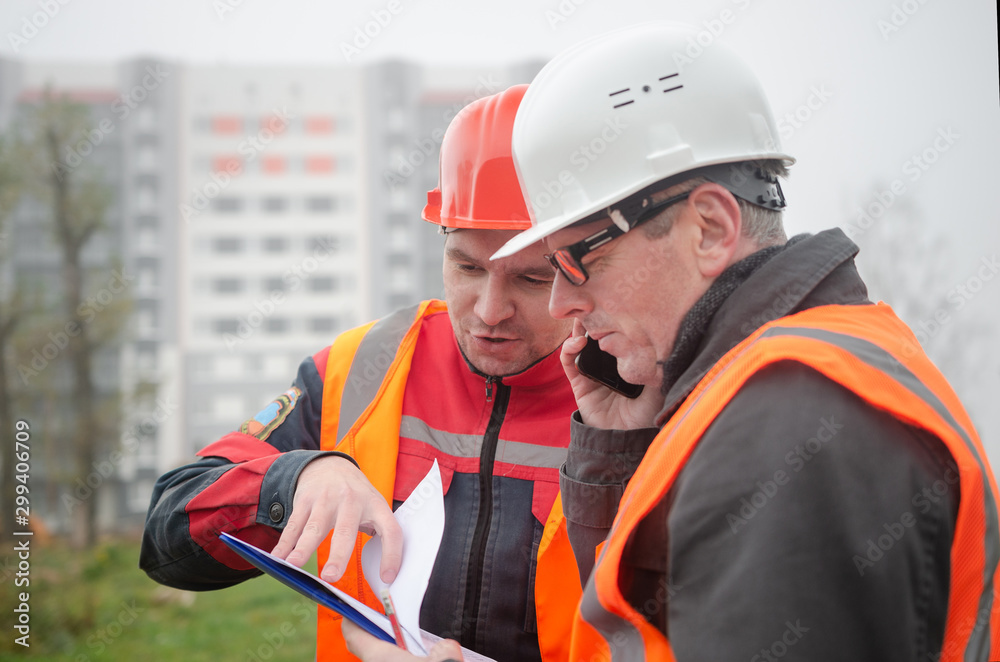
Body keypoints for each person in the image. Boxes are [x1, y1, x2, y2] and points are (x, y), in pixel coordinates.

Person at [346, 22, 1000, 662]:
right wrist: (619, 456)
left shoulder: (786, 425)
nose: (560, 304)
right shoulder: (803, 376)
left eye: (577, 260)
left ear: (711, 229)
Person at [140, 84, 582, 662]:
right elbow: (168, 538)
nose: (488, 310)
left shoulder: (638, 396)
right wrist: (293, 481)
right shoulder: (364, 368)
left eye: (530, 279)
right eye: (466, 266)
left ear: (587, 262)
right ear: (440, 237)